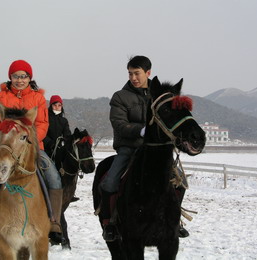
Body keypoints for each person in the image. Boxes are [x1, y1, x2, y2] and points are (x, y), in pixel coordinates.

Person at [0, 60, 63, 243]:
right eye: (16, 76)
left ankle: (54, 222)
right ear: (10, 77)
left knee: (53, 176)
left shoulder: (38, 99)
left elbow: (42, 124)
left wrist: (29, 140)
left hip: (33, 147)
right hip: (6, 147)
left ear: (29, 78)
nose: (20, 80)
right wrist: (6, 135)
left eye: (23, 76)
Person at [99, 56, 189, 241]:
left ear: (148, 73)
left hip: (155, 152)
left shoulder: (159, 95)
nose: (133, 77)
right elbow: (119, 124)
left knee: (180, 182)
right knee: (109, 182)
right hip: (129, 148)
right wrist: (141, 130)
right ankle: (110, 223)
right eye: (130, 73)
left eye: (137, 73)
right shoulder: (120, 97)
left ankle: (174, 219)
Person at [43, 95, 80, 202]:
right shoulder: (46, 118)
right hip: (47, 148)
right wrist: (50, 143)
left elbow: (67, 134)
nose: (57, 107)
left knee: (69, 164)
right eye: (55, 105)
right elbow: (43, 133)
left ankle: (69, 191)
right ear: (51, 106)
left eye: (59, 105)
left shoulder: (64, 120)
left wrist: (66, 140)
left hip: (60, 148)